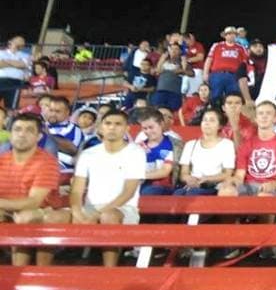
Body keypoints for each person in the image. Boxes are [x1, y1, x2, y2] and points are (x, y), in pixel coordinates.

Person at [44, 109, 146, 267]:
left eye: (118, 124)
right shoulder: (88, 154)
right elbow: (77, 190)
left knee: (108, 216)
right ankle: (43, 277)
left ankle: (108, 274)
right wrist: (77, 212)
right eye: (108, 123)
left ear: (127, 129)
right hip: (89, 208)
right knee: (51, 218)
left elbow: (128, 192)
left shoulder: (136, 152)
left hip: (123, 209)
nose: (112, 127)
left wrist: (97, 213)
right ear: (100, 128)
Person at [0, 113, 60, 265]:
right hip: (7, 208)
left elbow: (34, 202)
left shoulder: (47, 162)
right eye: (17, 129)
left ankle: (20, 274)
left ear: (39, 137)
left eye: (29, 130)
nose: (22, 134)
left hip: (43, 211)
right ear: (10, 134)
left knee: (24, 217)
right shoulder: (1, 160)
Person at [218, 101, 276, 197]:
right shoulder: (247, 145)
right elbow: (240, 176)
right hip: (248, 187)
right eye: (261, 113)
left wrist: (272, 185)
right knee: (226, 191)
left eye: (268, 113)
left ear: (275, 119)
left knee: (263, 196)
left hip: (270, 189)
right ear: (256, 119)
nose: (264, 116)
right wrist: (232, 181)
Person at [175, 108, 235, 196]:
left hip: (213, 185)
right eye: (204, 120)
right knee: (177, 194)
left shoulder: (227, 144)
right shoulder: (190, 144)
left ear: (220, 126)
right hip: (192, 184)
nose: (207, 123)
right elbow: (183, 173)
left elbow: (227, 173)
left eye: (212, 120)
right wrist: (188, 179)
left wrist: (207, 179)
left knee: (192, 194)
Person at [203, 26, 251, 104]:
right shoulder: (216, 45)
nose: (231, 36)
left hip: (234, 76)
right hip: (217, 74)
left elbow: (246, 62)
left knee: (233, 98)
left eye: (233, 34)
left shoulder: (241, 48)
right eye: (228, 34)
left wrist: (244, 76)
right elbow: (209, 59)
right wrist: (205, 73)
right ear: (225, 36)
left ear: (236, 36)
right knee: (215, 97)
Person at [137, 109, 176, 196]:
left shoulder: (171, 144)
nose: (148, 131)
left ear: (161, 124)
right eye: (145, 128)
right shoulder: (139, 146)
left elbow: (165, 171)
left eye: (151, 127)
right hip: (139, 184)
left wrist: (140, 175)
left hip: (162, 186)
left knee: (147, 192)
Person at [152, 42, 188, 110]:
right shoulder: (164, 61)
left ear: (180, 51)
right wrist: (162, 59)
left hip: (175, 92)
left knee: (173, 112)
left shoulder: (182, 62)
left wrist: (183, 64)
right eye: (171, 49)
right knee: (157, 110)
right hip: (161, 90)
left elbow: (187, 72)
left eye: (176, 49)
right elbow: (158, 71)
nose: (173, 51)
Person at [0, 35, 30, 110]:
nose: (22, 42)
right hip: (1, 80)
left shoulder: (26, 55)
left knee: (11, 108)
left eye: (23, 41)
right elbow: (0, 64)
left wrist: (5, 61)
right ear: (10, 42)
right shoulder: (1, 52)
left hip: (15, 83)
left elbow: (24, 65)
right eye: (20, 40)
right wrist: (17, 64)